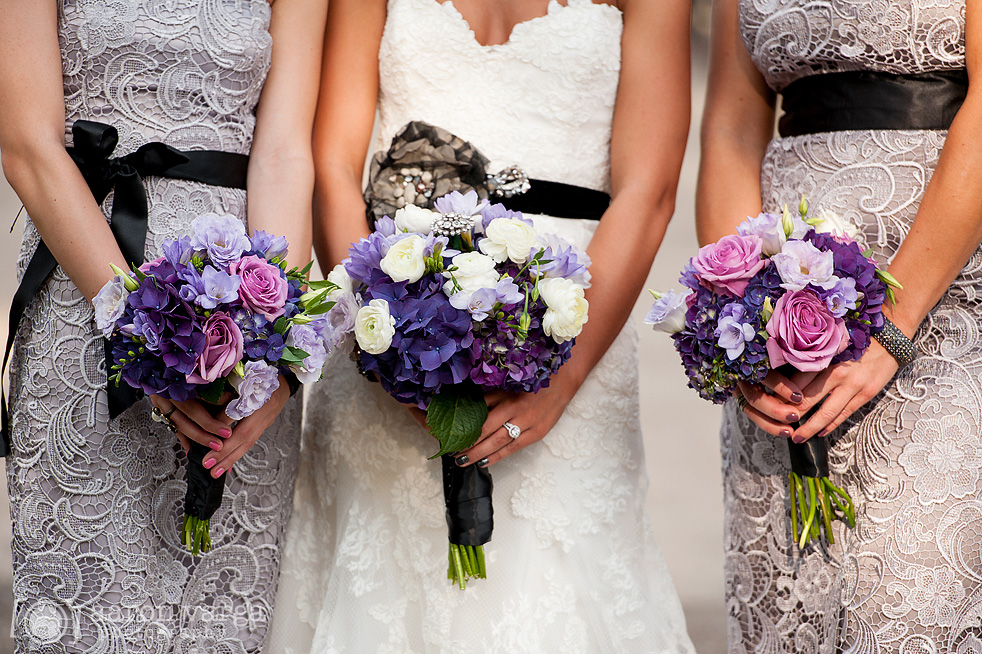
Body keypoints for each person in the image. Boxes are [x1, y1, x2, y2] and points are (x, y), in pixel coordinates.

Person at [267, 0, 697, 652]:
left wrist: (561, 381)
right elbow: (332, 166)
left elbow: (650, 188)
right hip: (391, 319)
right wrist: (377, 340)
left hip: (570, 327)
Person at [0, 1, 325, 651]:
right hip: (86, 308)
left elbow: (285, 151)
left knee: (219, 622)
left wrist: (272, 346)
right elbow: (28, 145)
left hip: (241, 327)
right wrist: (139, 334)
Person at [698, 0, 982, 650]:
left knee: (913, 612)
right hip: (785, 341)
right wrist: (745, 317)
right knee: (793, 613)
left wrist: (895, 326)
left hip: (945, 315)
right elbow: (732, 128)